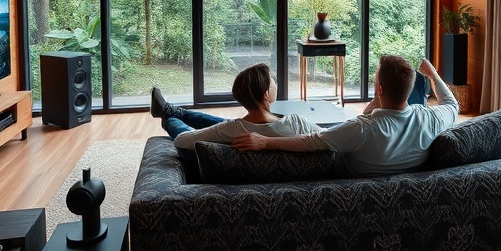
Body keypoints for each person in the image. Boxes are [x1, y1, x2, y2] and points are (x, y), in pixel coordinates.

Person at [232, 55, 458, 177]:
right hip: (401, 160)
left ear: (379, 90)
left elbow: (311, 142)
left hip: (349, 169)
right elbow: (451, 103)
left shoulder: (360, 129)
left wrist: (265, 142)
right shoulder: (430, 118)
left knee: (297, 124)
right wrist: (431, 74)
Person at [150, 63, 322, 150]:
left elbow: (182, 140)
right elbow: (328, 137)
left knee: (219, 124)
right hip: (253, 125)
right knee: (218, 122)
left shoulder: (233, 129)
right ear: (266, 95)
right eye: (272, 82)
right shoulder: (297, 124)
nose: (275, 83)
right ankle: (170, 110)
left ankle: (168, 114)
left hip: (239, 126)